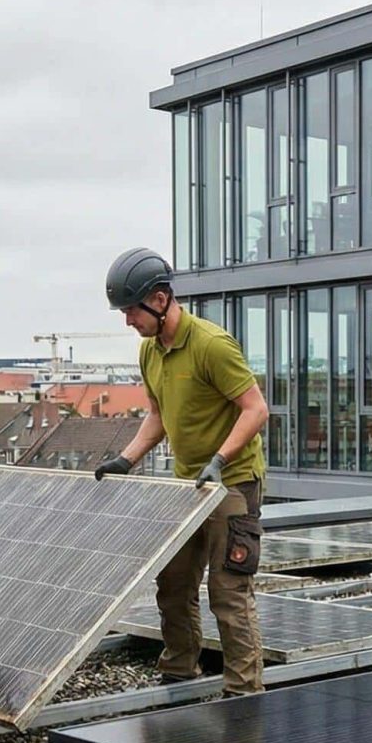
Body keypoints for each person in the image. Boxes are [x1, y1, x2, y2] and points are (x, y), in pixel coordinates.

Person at [95, 248, 269, 696]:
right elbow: (158, 415)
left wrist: (220, 460)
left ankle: (242, 694)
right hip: (186, 486)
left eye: (131, 310)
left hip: (231, 483)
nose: (128, 320)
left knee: (228, 594)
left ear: (158, 299)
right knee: (172, 584)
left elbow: (255, 410)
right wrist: (127, 458)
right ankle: (178, 674)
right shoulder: (151, 353)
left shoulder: (211, 345)